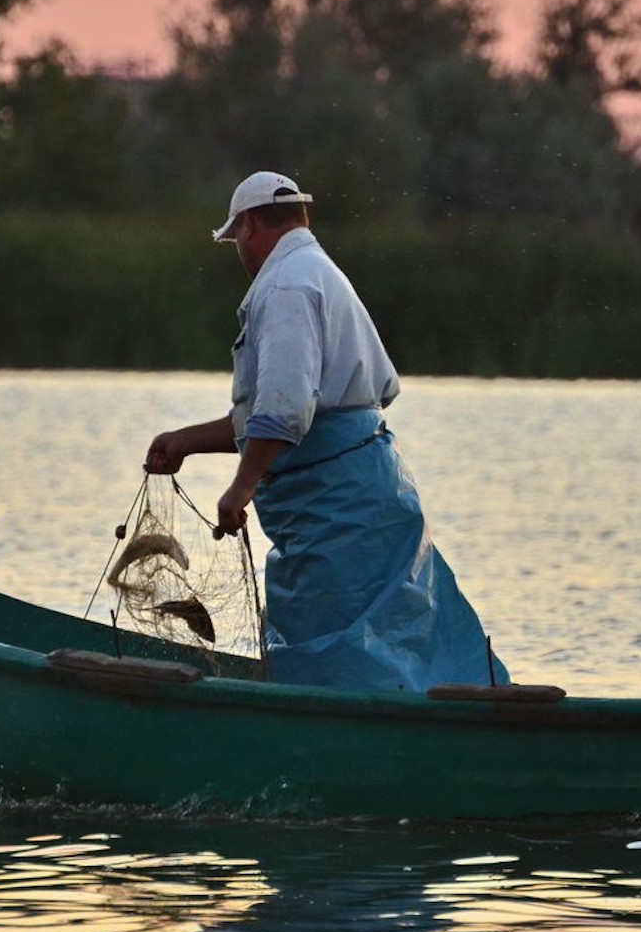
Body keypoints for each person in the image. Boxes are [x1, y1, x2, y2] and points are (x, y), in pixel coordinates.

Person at [145, 170, 510, 691]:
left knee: (335, 647)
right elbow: (284, 417)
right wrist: (185, 442)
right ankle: (444, 723)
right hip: (365, 490)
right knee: (396, 634)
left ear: (249, 225)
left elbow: (285, 412)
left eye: (235, 240)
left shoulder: (287, 285)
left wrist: (242, 486)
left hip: (338, 510)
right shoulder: (314, 271)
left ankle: (352, 738)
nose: (238, 252)